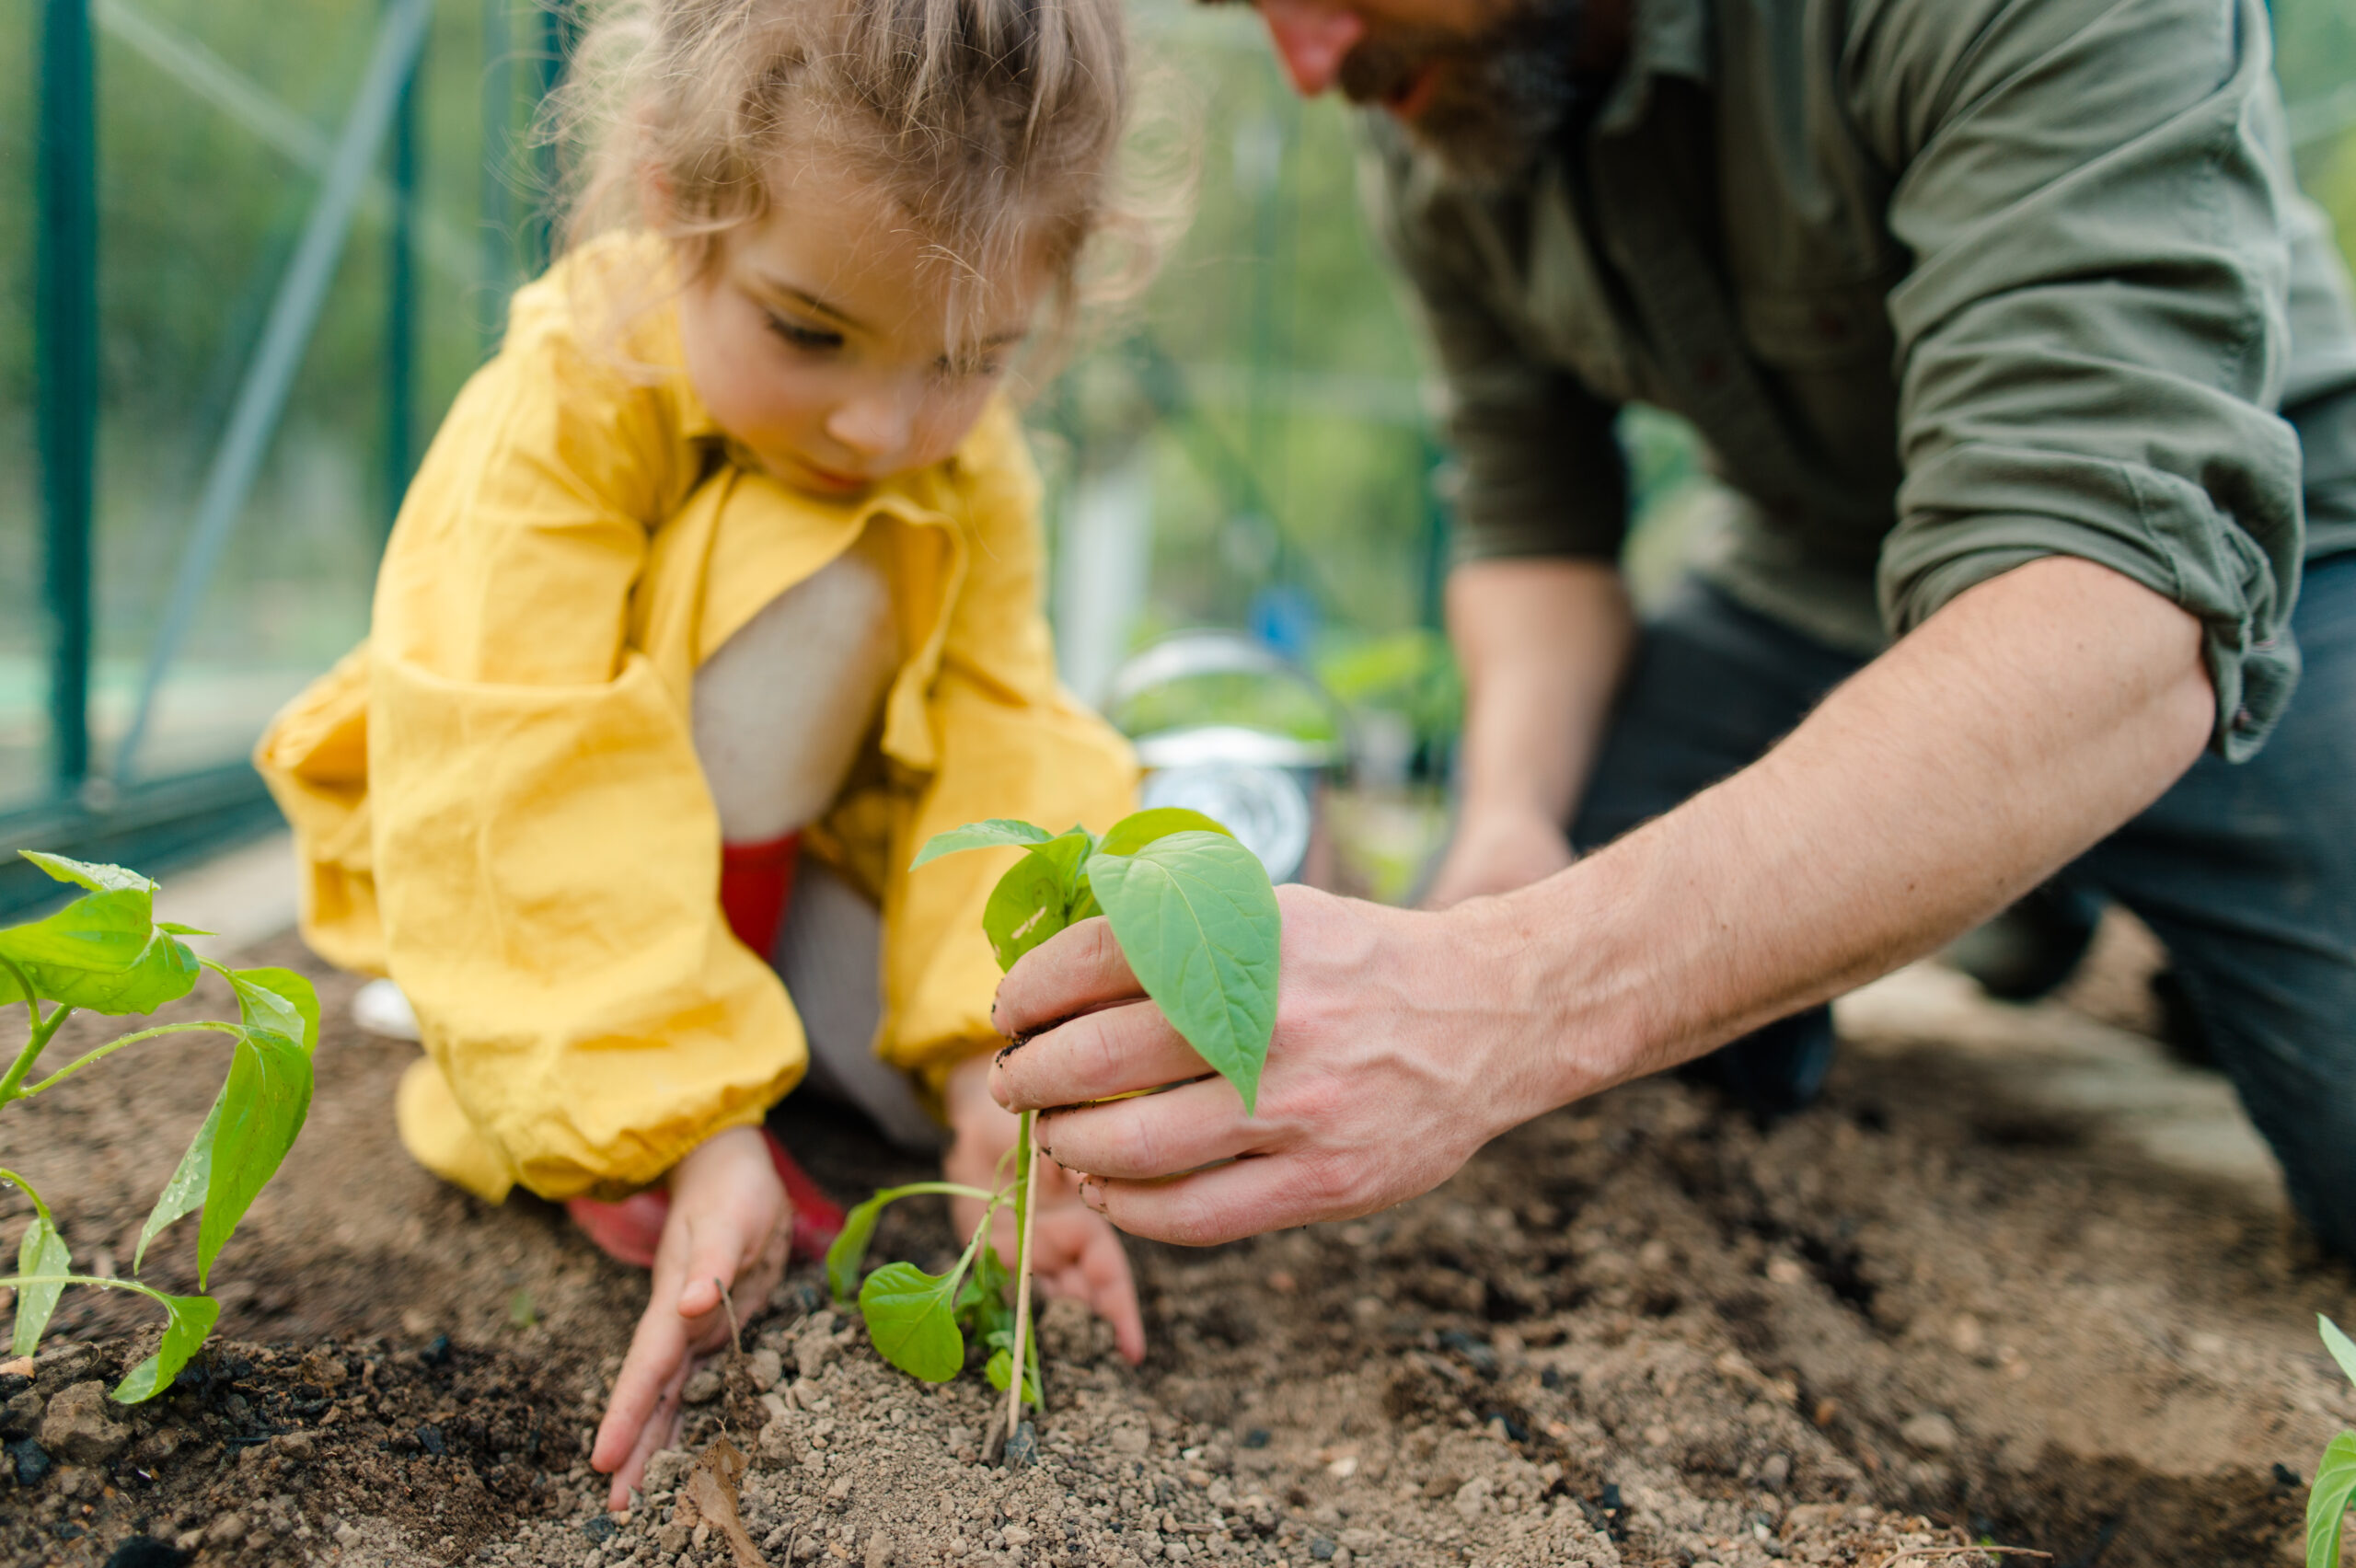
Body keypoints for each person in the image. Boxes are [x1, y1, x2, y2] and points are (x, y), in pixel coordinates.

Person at [987, 0, 2356, 1260]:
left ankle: (2065, 873)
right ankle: (2021, 888)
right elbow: (1534, 524)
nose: (1310, 61)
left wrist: (1504, 999)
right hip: (1807, 583)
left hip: (2216, 589)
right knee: (1589, 951)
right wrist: (1508, 830)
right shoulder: (1440, 93)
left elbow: (2106, 611)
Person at [255, 0, 1157, 1505]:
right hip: (534, 870)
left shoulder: (977, 463)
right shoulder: (565, 398)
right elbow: (511, 762)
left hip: (789, 875)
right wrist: (693, 1126)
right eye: (810, 331)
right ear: (678, 198)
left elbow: (1004, 747)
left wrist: (994, 1079)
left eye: (970, 357)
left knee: (963, 1061)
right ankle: (632, 1077)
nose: (880, 421)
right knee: (810, 578)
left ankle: (734, 1045)